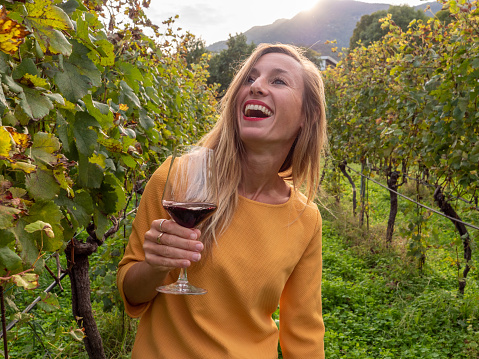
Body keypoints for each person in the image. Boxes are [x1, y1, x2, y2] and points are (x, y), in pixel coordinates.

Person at [117, 43, 327, 358]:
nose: (257, 86)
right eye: (250, 78)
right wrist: (155, 266)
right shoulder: (178, 180)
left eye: (278, 80)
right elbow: (132, 295)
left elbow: (305, 332)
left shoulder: (304, 218)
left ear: (305, 118)